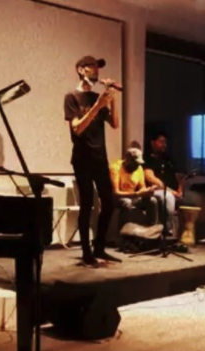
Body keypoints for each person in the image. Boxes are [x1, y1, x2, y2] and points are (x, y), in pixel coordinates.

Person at [64, 55, 120, 266]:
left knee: (109, 202)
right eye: (92, 67)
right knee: (87, 204)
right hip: (82, 158)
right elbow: (77, 129)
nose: (96, 70)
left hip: (100, 156)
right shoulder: (72, 97)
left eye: (98, 67)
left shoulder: (98, 97)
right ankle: (87, 253)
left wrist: (112, 98)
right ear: (81, 69)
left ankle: (100, 248)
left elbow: (115, 123)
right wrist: (97, 105)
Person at [110, 146, 159, 227]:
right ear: (127, 159)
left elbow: (142, 187)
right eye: (135, 163)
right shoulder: (116, 167)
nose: (136, 166)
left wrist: (147, 192)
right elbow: (116, 193)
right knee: (127, 202)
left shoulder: (139, 168)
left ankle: (151, 228)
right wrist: (137, 194)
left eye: (138, 164)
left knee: (152, 201)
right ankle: (124, 231)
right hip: (118, 198)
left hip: (133, 196)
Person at [144, 133, 182, 234]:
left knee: (193, 198)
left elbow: (179, 177)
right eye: (161, 141)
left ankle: (186, 234)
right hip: (157, 190)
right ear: (152, 143)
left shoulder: (168, 160)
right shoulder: (148, 159)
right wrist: (171, 192)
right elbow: (150, 178)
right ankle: (168, 230)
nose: (164, 144)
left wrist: (180, 190)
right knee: (168, 197)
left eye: (165, 142)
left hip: (174, 192)